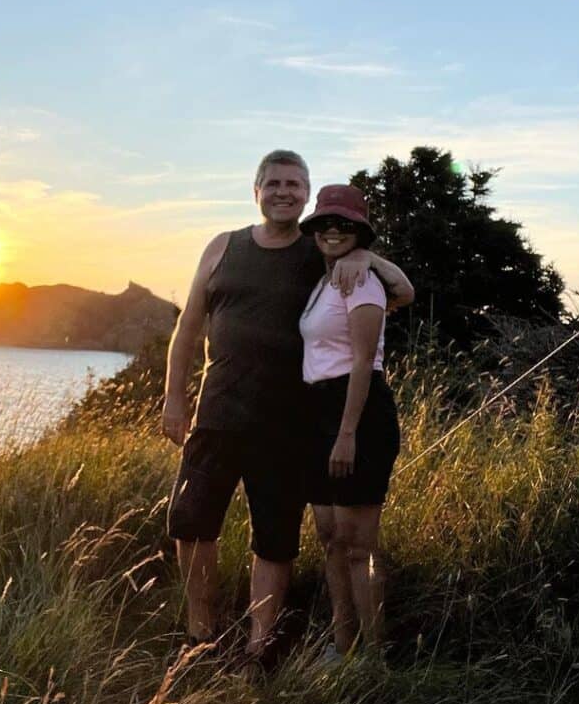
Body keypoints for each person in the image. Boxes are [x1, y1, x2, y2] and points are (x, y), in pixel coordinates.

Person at [162, 151, 413, 660]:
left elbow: (399, 291)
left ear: (305, 194)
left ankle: (261, 647)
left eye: (294, 184)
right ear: (255, 191)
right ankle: (199, 636)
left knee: (275, 537)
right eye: (273, 183)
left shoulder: (320, 251)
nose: (283, 191)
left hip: (288, 423)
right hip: (217, 413)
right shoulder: (221, 248)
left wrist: (367, 257)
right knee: (191, 521)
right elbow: (188, 326)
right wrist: (172, 395)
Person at [298, 184, 405, 658]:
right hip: (318, 411)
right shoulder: (327, 279)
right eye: (325, 223)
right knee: (330, 538)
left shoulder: (362, 279)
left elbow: (363, 361)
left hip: (356, 412)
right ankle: (343, 644)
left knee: (358, 544)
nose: (333, 231)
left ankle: (373, 659)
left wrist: (346, 435)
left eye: (344, 224)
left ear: (360, 231)